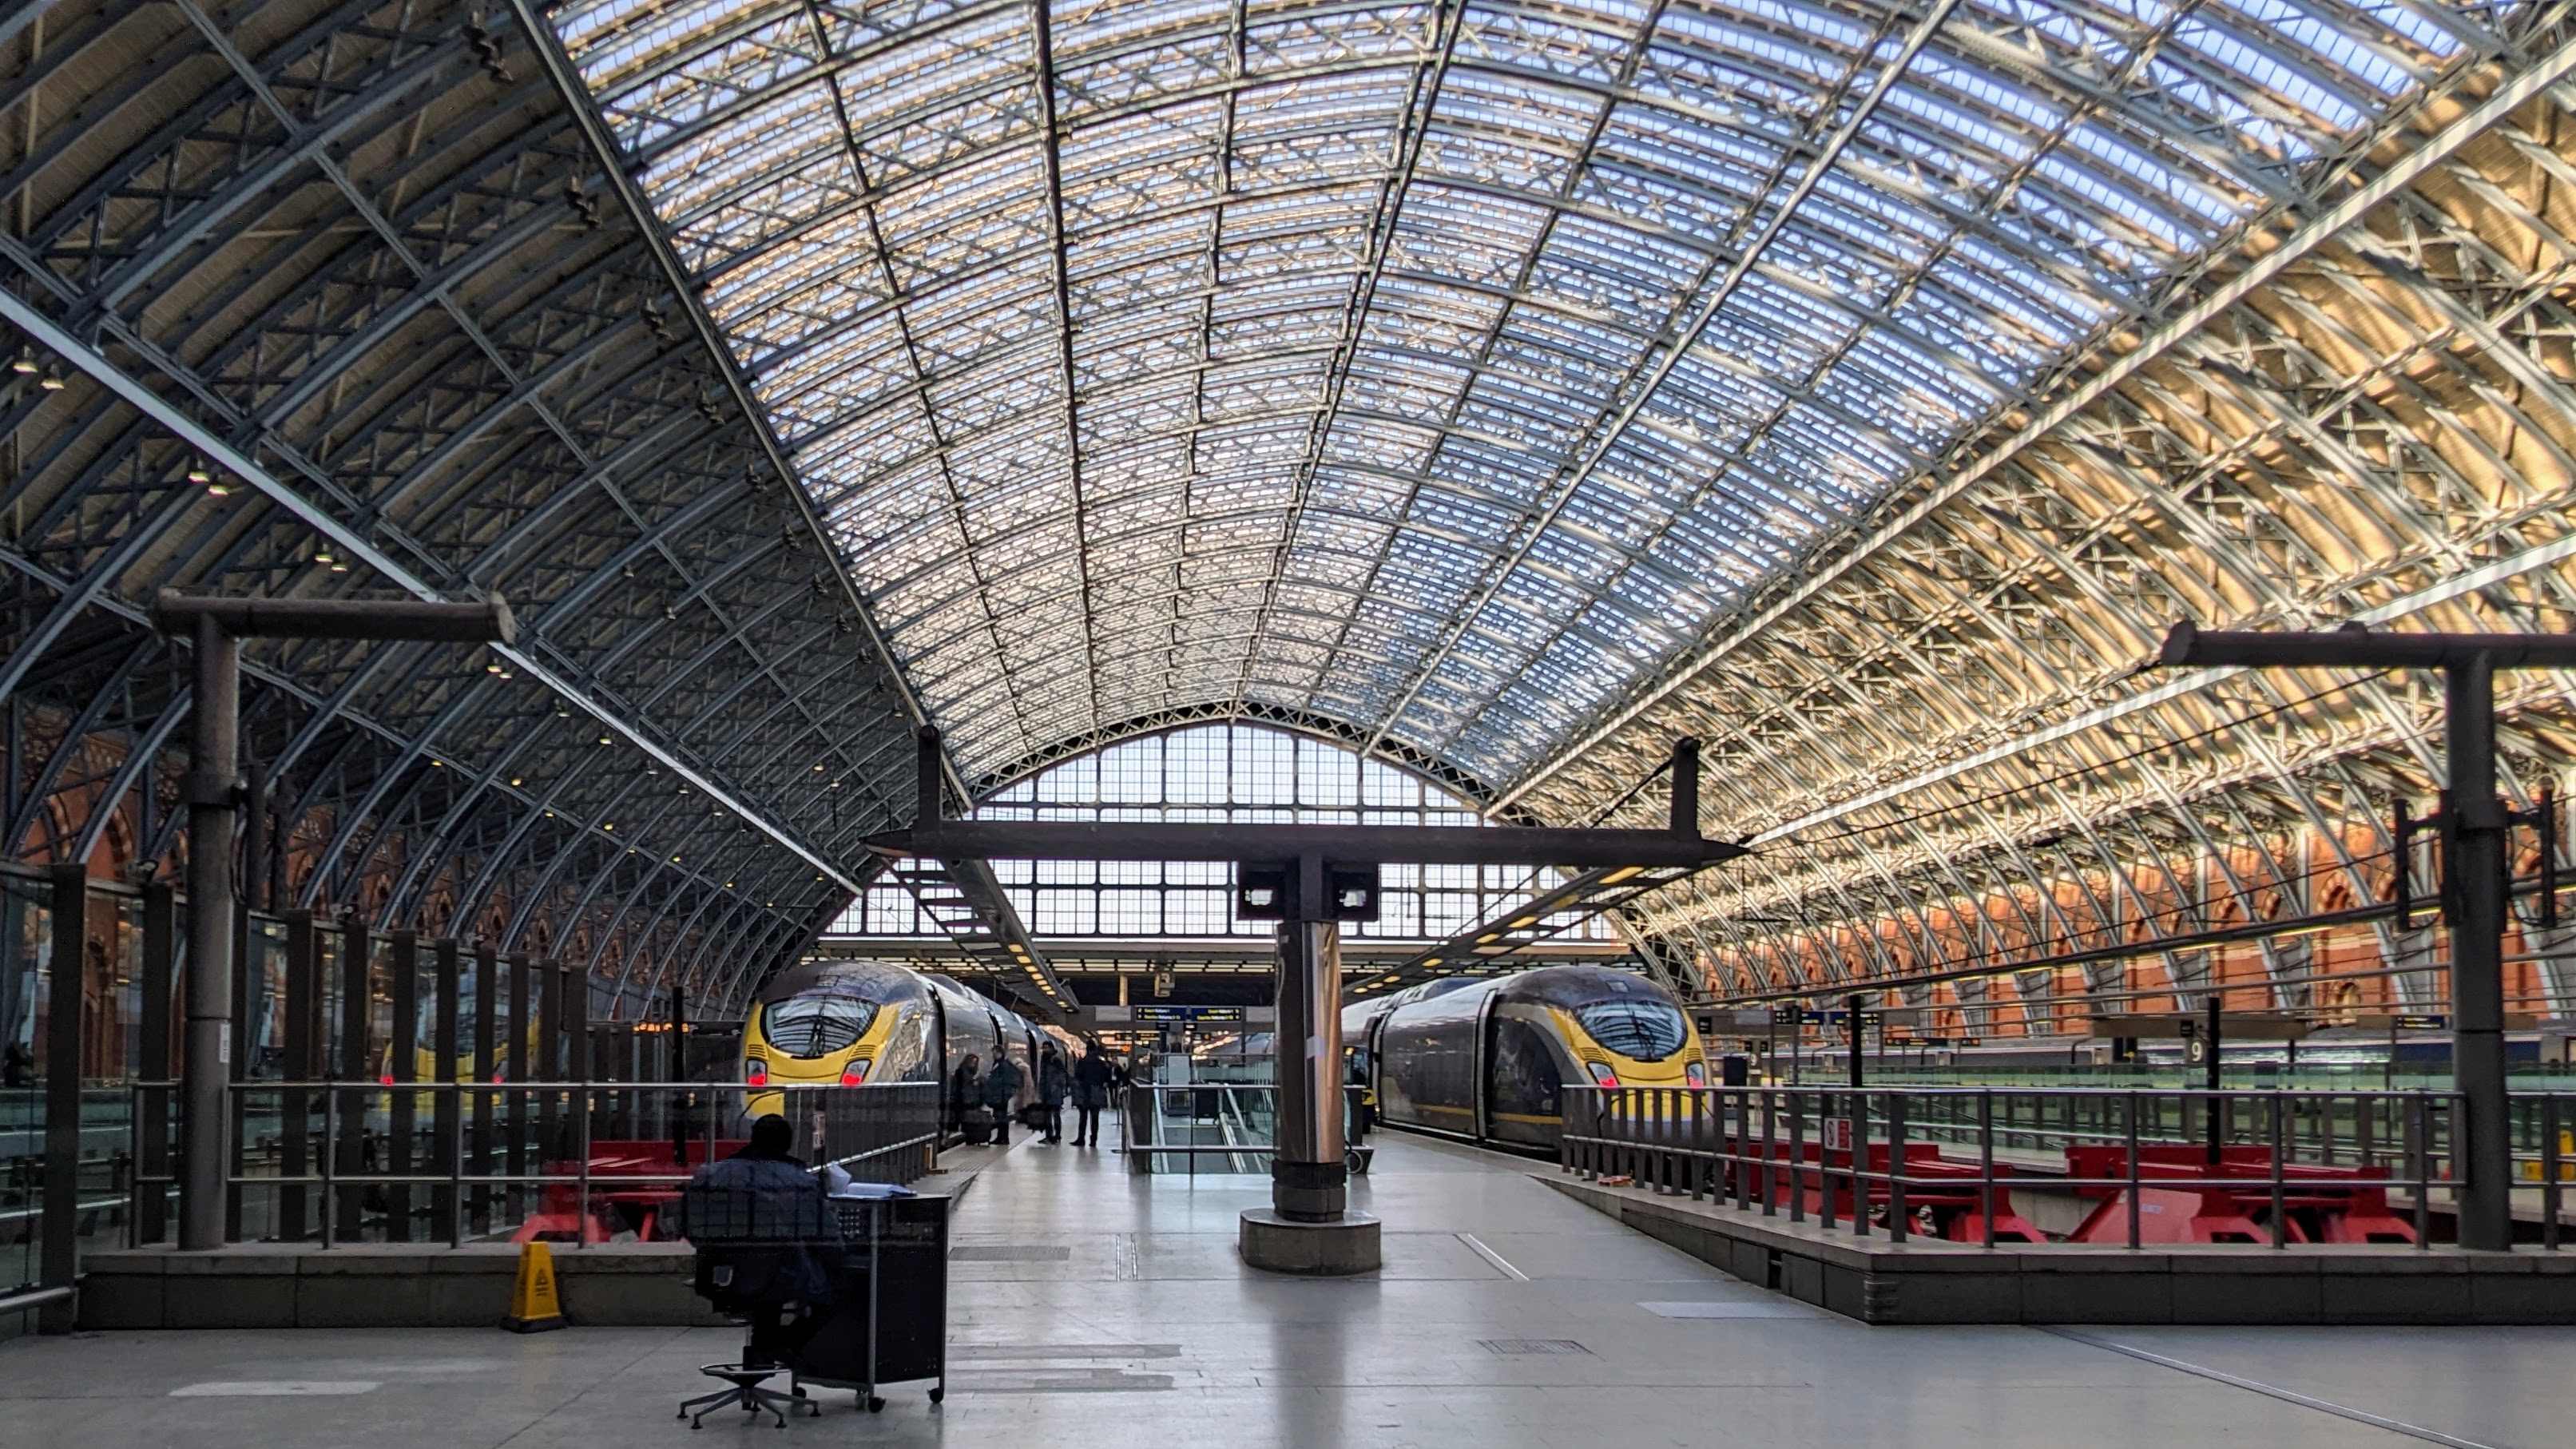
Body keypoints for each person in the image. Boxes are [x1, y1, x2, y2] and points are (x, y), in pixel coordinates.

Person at [1071, 1038, 1115, 1148]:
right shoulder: (1101, 1063)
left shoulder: (1082, 1062)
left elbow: (1078, 1076)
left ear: (1087, 1049)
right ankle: (1093, 1140)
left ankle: (1081, 1139)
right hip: (1097, 1092)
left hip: (1084, 1093)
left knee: (1083, 1118)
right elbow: (1107, 1078)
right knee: (1095, 1118)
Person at [979, 1048, 1024, 1146]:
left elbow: (1001, 1080)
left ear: (1001, 1053)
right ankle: (1002, 1137)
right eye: (993, 1053)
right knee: (1001, 1117)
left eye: (996, 1053)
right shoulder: (1000, 1064)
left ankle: (1003, 1138)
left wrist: (988, 1080)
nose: (993, 1055)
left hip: (1001, 1096)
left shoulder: (1003, 1065)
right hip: (1000, 1095)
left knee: (1001, 1117)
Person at [1037, 1048, 1070, 1145]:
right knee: (1048, 1116)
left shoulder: (1055, 1061)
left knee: (1055, 1116)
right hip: (1048, 1094)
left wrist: (1055, 1088)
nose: (1044, 1050)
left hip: (1054, 1094)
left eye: (1047, 1047)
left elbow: (1061, 1076)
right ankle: (1050, 1136)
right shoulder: (1046, 1062)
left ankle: (1056, 1136)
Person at [950, 1052, 982, 1139]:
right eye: (972, 1062)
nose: (973, 1064)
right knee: (961, 1117)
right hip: (962, 1098)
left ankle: (968, 1133)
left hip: (970, 1098)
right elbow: (964, 1083)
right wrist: (974, 1080)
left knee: (967, 1117)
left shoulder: (974, 1071)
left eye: (975, 1063)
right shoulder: (961, 1071)